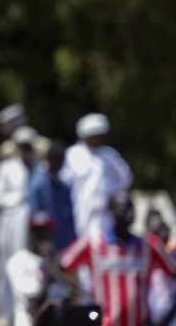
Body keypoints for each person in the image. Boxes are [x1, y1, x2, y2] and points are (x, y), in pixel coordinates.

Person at [60, 192, 174, 326]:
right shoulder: (93, 244)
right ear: (112, 212)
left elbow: (172, 271)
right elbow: (62, 264)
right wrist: (79, 295)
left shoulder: (148, 246)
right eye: (124, 209)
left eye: (131, 209)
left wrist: (166, 319)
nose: (129, 214)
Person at [0, 124, 37, 323]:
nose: (26, 151)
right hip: (10, 222)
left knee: (29, 267)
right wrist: (18, 198)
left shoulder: (38, 168)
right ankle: (4, 313)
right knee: (6, 267)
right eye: (22, 146)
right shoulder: (6, 168)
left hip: (30, 225)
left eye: (28, 146)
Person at [60, 113, 133, 237]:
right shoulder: (74, 154)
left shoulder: (109, 154)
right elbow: (65, 180)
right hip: (83, 208)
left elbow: (126, 176)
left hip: (106, 210)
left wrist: (112, 193)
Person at [28, 141, 77, 252]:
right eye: (56, 161)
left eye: (61, 161)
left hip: (65, 241)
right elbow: (35, 215)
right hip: (46, 243)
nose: (59, 164)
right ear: (49, 160)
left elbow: (70, 217)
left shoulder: (65, 187)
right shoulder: (38, 184)